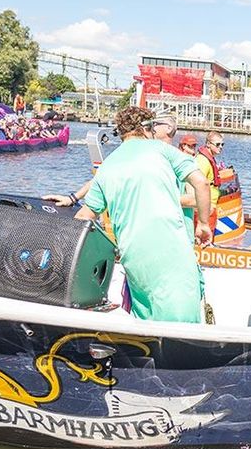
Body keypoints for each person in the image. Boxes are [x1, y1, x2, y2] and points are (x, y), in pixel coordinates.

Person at [72, 106, 213, 323]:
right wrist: (203, 224)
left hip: (133, 259)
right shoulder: (161, 150)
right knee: (183, 333)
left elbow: (84, 217)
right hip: (170, 254)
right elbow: (201, 183)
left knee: (146, 328)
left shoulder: (107, 166)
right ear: (147, 128)